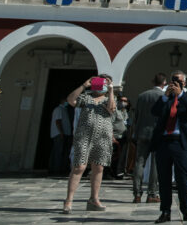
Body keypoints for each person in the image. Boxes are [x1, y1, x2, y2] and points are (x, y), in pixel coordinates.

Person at [62, 76, 116, 213]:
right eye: (100, 82)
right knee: (79, 166)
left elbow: (112, 108)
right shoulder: (86, 98)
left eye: (106, 83)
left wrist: (110, 91)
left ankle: (94, 199)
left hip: (103, 137)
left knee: (98, 167)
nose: (103, 85)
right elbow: (71, 100)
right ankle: (68, 200)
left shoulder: (108, 98)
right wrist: (84, 85)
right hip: (84, 136)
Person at [150, 70, 187, 223]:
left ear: (185, 82)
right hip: (164, 141)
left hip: (180, 142)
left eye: (180, 81)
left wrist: (181, 94)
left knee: (182, 178)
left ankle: (186, 209)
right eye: (174, 80)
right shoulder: (166, 98)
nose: (176, 83)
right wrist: (165, 96)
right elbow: (155, 111)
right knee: (163, 179)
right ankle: (165, 211)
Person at [132, 72, 166, 204]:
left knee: (139, 162)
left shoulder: (142, 96)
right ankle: (152, 193)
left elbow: (137, 115)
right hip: (158, 133)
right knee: (155, 164)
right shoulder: (164, 96)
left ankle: (137, 193)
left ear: (153, 82)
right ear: (164, 83)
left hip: (142, 132)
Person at [49, 96, 72, 176]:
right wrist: (61, 132)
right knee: (58, 152)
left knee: (62, 152)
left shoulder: (64, 110)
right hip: (60, 134)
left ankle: (60, 168)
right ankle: (56, 169)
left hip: (65, 133)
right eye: (66, 100)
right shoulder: (58, 109)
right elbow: (58, 121)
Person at [109, 92, 130, 178]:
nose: (123, 102)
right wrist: (112, 136)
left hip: (124, 137)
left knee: (122, 156)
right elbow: (110, 123)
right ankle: (111, 173)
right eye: (121, 100)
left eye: (125, 101)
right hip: (116, 137)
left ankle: (119, 172)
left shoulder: (125, 112)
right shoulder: (115, 111)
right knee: (114, 156)